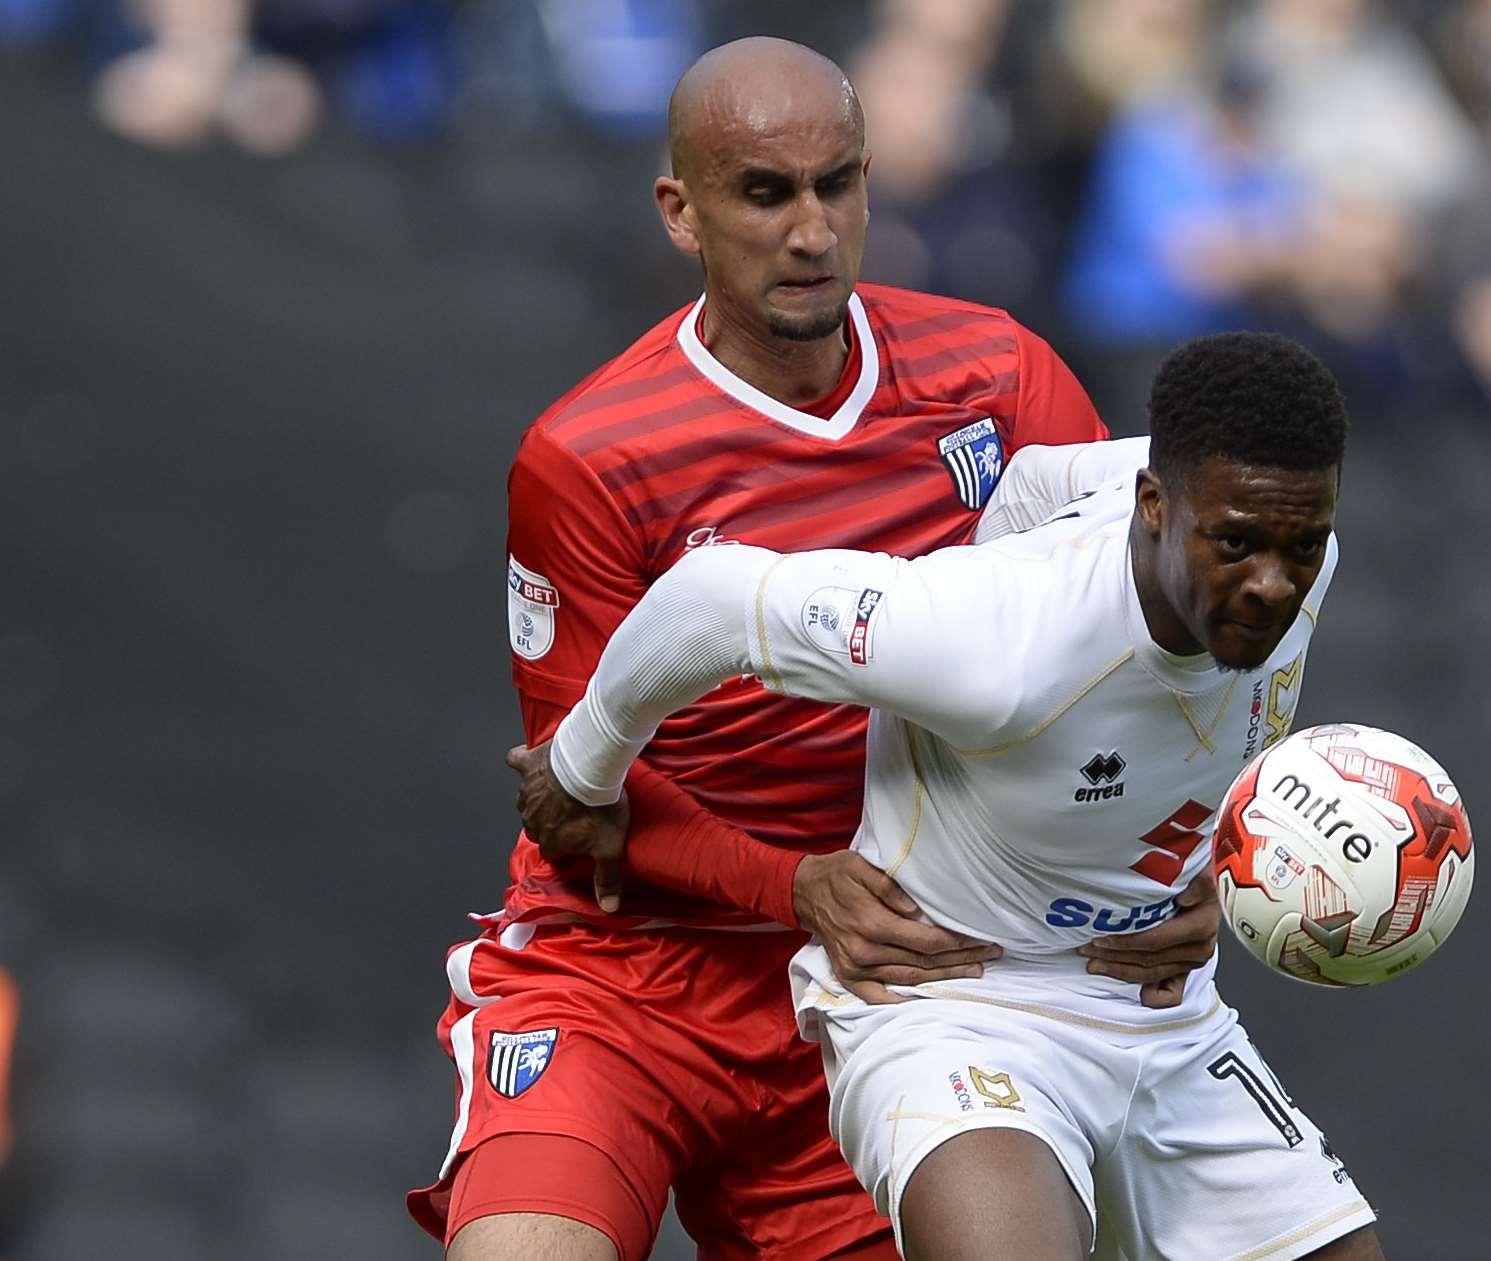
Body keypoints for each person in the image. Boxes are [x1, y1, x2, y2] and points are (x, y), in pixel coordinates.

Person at [407, 36, 1223, 1261]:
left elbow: (1132, 664)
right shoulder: (587, 455)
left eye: (836, 183)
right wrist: (790, 885)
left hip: (894, 991)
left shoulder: (996, 379)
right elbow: (578, 799)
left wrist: (1188, 866)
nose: (810, 230)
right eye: (763, 192)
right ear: (680, 212)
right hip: (626, 979)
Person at [518, 332, 1387, 1261]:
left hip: (1166, 1013)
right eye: (1238, 545)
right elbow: (710, 599)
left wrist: (1220, 863)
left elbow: (1048, 478)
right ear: (1154, 508)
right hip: (958, 1002)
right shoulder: (988, 637)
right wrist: (582, 768)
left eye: (1302, 543)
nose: (1271, 583)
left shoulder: (1285, 543)